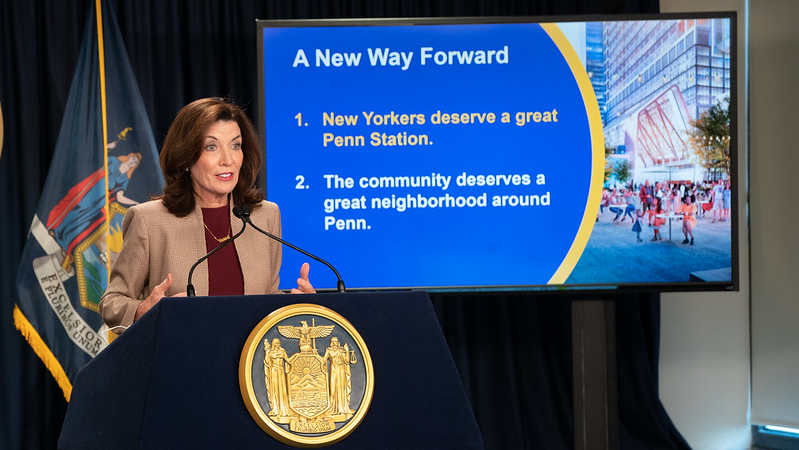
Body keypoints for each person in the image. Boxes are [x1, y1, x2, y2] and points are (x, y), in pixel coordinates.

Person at [99, 98, 315, 332]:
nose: (228, 160)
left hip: (251, 364)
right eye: (211, 147)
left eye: (235, 145)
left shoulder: (264, 216)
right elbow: (113, 302)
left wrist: (297, 307)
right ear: (186, 157)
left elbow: (266, 296)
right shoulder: (149, 220)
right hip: (181, 360)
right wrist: (142, 311)